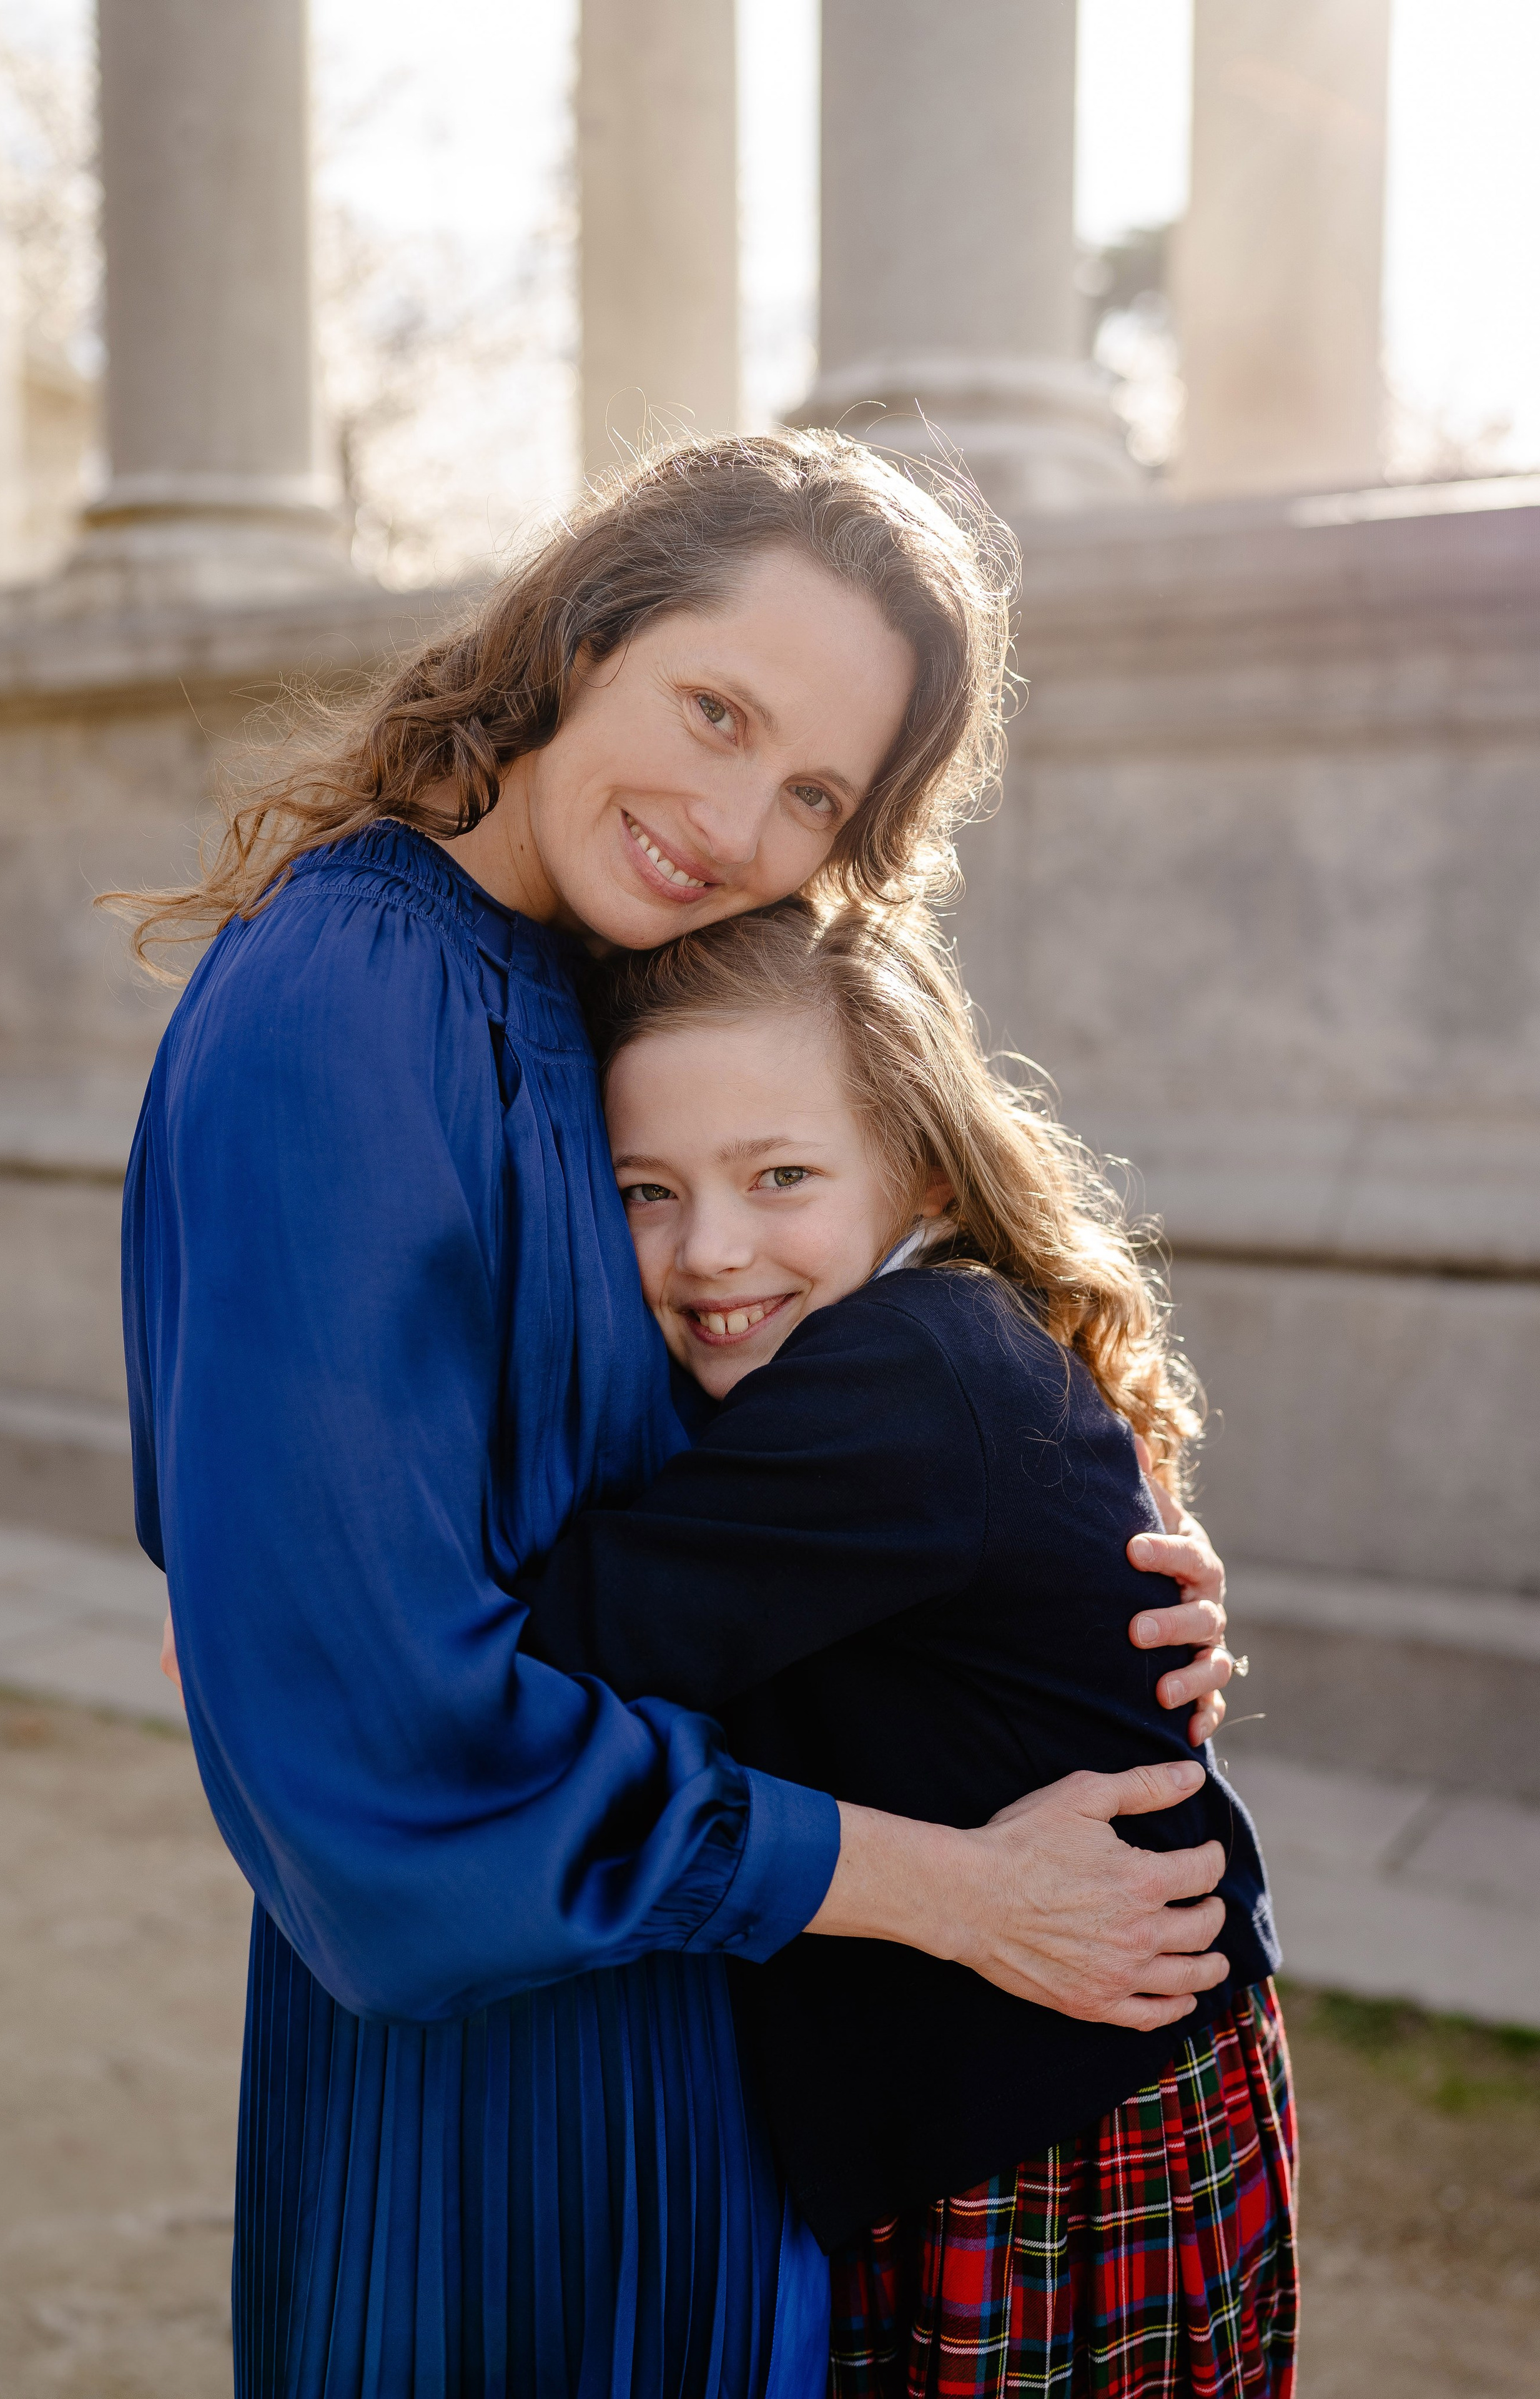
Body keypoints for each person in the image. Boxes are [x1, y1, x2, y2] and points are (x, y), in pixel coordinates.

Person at [114, 432, 1241, 2399]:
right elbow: (376, 1745)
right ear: (581, 634)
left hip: (718, 2045)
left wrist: (1084, 1540)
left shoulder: (590, 987)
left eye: (814, 791)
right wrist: (960, 1889)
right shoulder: (346, 1005)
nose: (734, 821)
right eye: (713, 711)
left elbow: (777, 1429)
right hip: (501, 2095)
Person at [518, 898, 1296, 2399]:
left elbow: (561, 1644)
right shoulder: (942, 1333)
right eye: (642, 1192)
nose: (709, 1249)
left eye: (780, 1175)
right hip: (1088, 2077)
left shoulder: (896, 1370)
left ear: (920, 1163)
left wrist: (286, 1587)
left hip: (1040, 2136)